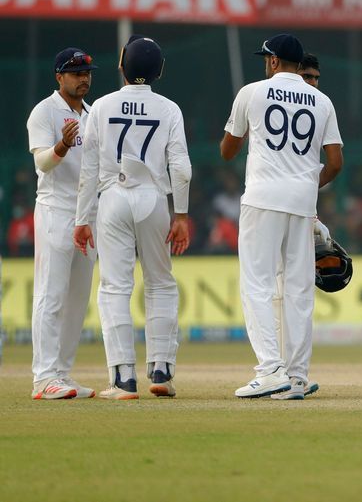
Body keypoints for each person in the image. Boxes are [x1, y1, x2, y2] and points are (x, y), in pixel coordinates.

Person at [221, 33, 343, 400]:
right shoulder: (322, 100)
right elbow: (335, 162)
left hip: (262, 197)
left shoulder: (252, 92)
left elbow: (227, 150)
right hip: (302, 202)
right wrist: (306, 182)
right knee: (299, 289)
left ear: (273, 62)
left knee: (257, 285)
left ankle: (270, 370)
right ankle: (297, 377)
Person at [74, 36, 191, 400]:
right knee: (160, 284)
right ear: (160, 71)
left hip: (112, 199)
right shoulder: (169, 108)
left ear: (122, 66)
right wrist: (182, 215)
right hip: (153, 198)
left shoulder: (102, 107)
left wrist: (82, 218)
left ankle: (123, 378)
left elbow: (88, 169)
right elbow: (181, 169)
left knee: (114, 288)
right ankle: (161, 370)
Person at [26, 47, 99, 400]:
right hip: (56, 210)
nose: (83, 79)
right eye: (74, 73)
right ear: (59, 77)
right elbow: (41, 162)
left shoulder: (92, 113)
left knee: (77, 299)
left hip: (87, 215)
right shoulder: (45, 111)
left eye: (86, 73)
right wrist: (61, 146)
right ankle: (43, 376)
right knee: (50, 294)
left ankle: (62, 374)